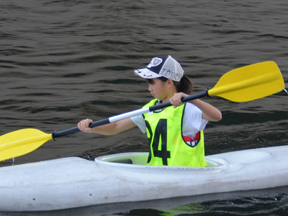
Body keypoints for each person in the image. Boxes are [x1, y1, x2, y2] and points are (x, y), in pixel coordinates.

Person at [77, 55, 222, 167]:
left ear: (169, 82)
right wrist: (92, 127)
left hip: (187, 176)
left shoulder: (188, 109)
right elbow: (115, 127)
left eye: (152, 82)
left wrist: (189, 99)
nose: (149, 88)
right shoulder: (150, 109)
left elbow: (216, 116)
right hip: (157, 174)